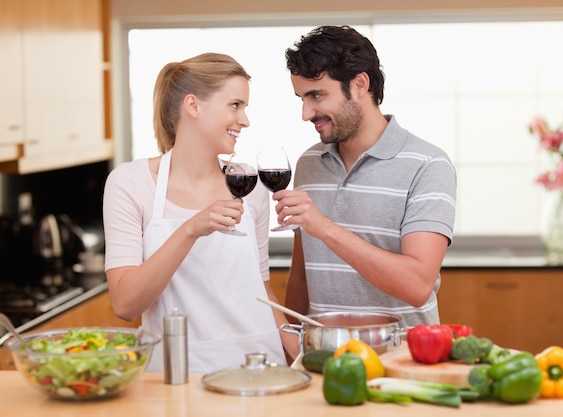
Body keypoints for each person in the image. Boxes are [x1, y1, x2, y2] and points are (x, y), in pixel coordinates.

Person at [102, 52, 299, 373]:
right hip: (177, 371)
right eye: (235, 105)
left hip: (260, 368)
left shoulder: (250, 185)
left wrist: (301, 352)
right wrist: (190, 229)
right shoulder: (130, 183)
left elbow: (261, 287)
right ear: (193, 105)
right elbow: (125, 304)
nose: (245, 120)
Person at [274, 25, 457, 327]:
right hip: (324, 358)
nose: (306, 113)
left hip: (403, 360)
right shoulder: (309, 162)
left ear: (359, 84)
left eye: (316, 95)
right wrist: (291, 341)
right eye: (301, 98)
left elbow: (417, 286)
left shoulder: (428, 164)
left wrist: (324, 228)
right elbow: (303, 275)